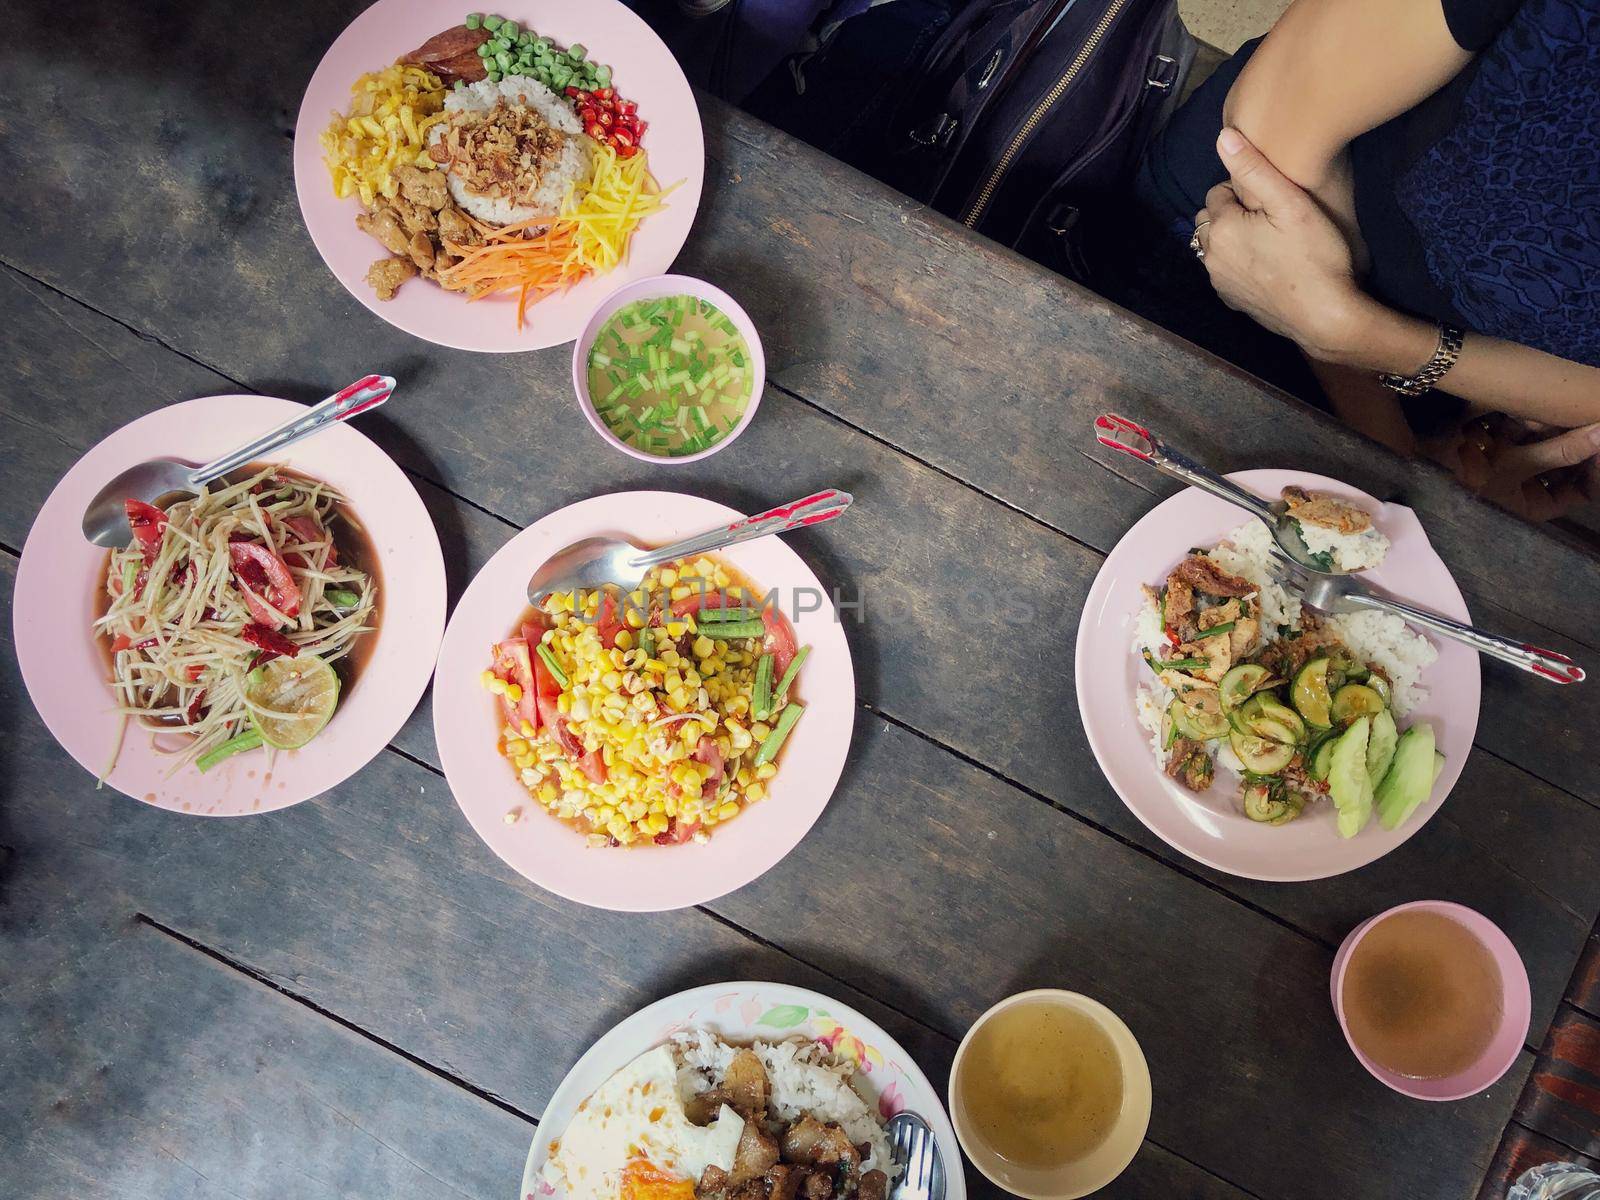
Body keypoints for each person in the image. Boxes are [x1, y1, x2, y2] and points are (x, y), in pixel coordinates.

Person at [1121, 0, 1600, 521]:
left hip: (1440, 388)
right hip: (1238, 244)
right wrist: (1386, 462)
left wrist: (1382, 364)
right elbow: (1273, 114)